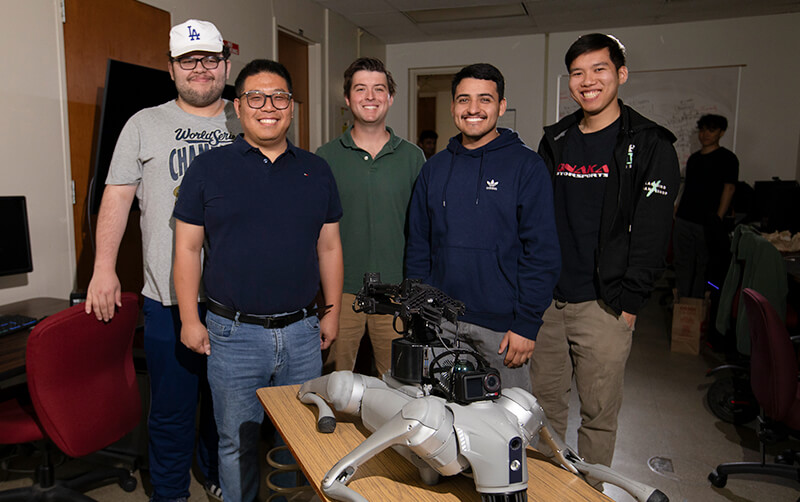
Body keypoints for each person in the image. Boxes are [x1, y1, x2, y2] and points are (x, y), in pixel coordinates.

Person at [173, 59, 343, 502]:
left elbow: (329, 248)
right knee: (236, 442)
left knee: (299, 440)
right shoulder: (208, 169)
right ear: (238, 106)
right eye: (255, 97)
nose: (268, 106)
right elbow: (188, 249)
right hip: (232, 334)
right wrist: (190, 318)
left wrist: (332, 313)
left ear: (291, 106)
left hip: (303, 332)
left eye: (279, 97)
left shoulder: (316, 170)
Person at [84, 19, 237, 502]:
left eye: (210, 60)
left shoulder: (247, 120)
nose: (200, 69)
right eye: (188, 60)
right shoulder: (143, 124)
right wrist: (103, 268)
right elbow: (116, 198)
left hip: (236, 300)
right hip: (167, 297)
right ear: (171, 69)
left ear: (225, 66)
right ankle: (170, 492)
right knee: (172, 407)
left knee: (225, 406)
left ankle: (213, 472)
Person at [530, 33, 679, 483]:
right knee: (543, 412)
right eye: (578, 73)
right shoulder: (555, 140)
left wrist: (630, 304)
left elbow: (653, 233)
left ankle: (589, 492)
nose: (588, 81)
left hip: (606, 304)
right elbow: (535, 219)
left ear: (621, 74)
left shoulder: (651, 145)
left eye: (599, 69)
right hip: (549, 304)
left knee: (597, 418)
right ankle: (549, 488)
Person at [405, 63, 561, 392]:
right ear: (452, 106)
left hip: (503, 331)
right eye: (464, 100)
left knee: (508, 427)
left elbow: (542, 253)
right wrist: (421, 312)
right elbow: (418, 243)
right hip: (442, 325)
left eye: (485, 99)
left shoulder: (527, 167)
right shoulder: (434, 169)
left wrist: (527, 324)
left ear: (501, 106)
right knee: (443, 424)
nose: (473, 109)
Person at [316, 58, 424, 377]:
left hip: (396, 293)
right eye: (360, 89)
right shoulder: (326, 157)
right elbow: (315, 232)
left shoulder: (412, 157)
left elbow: (423, 228)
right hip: (341, 291)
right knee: (335, 386)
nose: (370, 96)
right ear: (348, 99)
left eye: (379, 89)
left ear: (390, 98)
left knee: (398, 389)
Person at [673, 114, 738, 298]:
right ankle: (682, 303)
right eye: (702, 130)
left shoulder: (727, 159)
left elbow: (729, 188)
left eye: (711, 130)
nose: (705, 134)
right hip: (685, 218)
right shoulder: (694, 159)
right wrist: (677, 206)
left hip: (707, 222)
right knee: (682, 263)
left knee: (704, 265)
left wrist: (718, 217)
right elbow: (688, 187)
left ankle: (698, 304)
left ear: (721, 132)